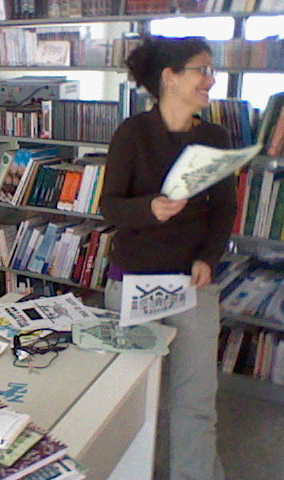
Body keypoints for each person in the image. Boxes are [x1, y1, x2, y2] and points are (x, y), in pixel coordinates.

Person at [100, 36, 237, 480]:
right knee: (126, 400)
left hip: (194, 287)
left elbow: (225, 210)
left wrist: (208, 259)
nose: (211, 79)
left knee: (195, 403)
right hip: (134, 284)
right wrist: (149, 209)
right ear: (170, 77)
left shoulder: (215, 136)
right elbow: (110, 207)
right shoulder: (132, 134)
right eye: (201, 69)